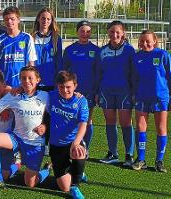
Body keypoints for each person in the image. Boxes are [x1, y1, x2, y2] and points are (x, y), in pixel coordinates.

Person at [0, 66, 51, 191]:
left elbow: (56, 114)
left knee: (30, 183)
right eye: (23, 78)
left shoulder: (46, 96)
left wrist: (46, 126)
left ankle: (46, 170)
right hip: (16, 137)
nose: (27, 81)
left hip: (34, 142)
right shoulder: (15, 95)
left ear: (38, 80)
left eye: (30, 78)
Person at [98, 20, 135, 167]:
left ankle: (129, 155)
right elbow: (99, 73)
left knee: (126, 122)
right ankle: (113, 153)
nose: (114, 34)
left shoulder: (129, 50)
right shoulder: (103, 51)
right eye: (112, 31)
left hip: (124, 92)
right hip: (106, 92)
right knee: (110, 122)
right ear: (108, 33)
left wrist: (134, 91)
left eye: (117, 31)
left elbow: (134, 73)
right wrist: (97, 91)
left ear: (123, 33)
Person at [47, 71, 89, 199]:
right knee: (64, 187)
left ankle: (75, 186)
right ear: (57, 86)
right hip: (56, 144)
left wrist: (76, 142)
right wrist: (17, 89)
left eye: (68, 87)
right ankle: (77, 173)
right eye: (61, 87)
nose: (65, 90)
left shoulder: (81, 101)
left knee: (79, 151)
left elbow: (83, 124)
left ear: (75, 85)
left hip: (72, 141)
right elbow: (32, 89)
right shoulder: (50, 96)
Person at [131, 30, 168, 172]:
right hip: (142, 97)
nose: (144, 43)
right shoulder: (137, 57)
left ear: (155, 41)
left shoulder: (163, 55)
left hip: (160, 98)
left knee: (161, 128)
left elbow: (169, 76)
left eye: (147, 41)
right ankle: (141, 159)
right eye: (141, 41)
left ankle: (159, 161)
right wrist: (134, 93)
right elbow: (134, 78)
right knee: (141, 127)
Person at [63, 20, 100, 152]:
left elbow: (98, 73)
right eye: (82, 31)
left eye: (88, 31)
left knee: (87, 120)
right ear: (77, 32)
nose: (85, 34)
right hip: (72, 92)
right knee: (70, 119)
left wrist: (96, 92)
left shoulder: (96, 50)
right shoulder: (69, 50)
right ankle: (70, 146)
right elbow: (64, 72)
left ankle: (85, 148)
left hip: (89, 92)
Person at [0, 6, 37, 87]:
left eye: (12, 19)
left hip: (23, 86)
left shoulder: (27, 38)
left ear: (18, 20)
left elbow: (31, 64)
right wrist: (0, 85)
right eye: (6, 19)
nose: (9, 21)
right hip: (4, 87)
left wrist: (29, 85)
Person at [33, 8, 62, 91]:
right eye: (43, 18)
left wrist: (58, 80)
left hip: (50, 81)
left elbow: (59, 61)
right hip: (34, 82)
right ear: (38, 19)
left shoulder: (56, 38)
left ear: (51, 21)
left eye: (48, 19)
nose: (45, 21)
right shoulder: (31, 37)